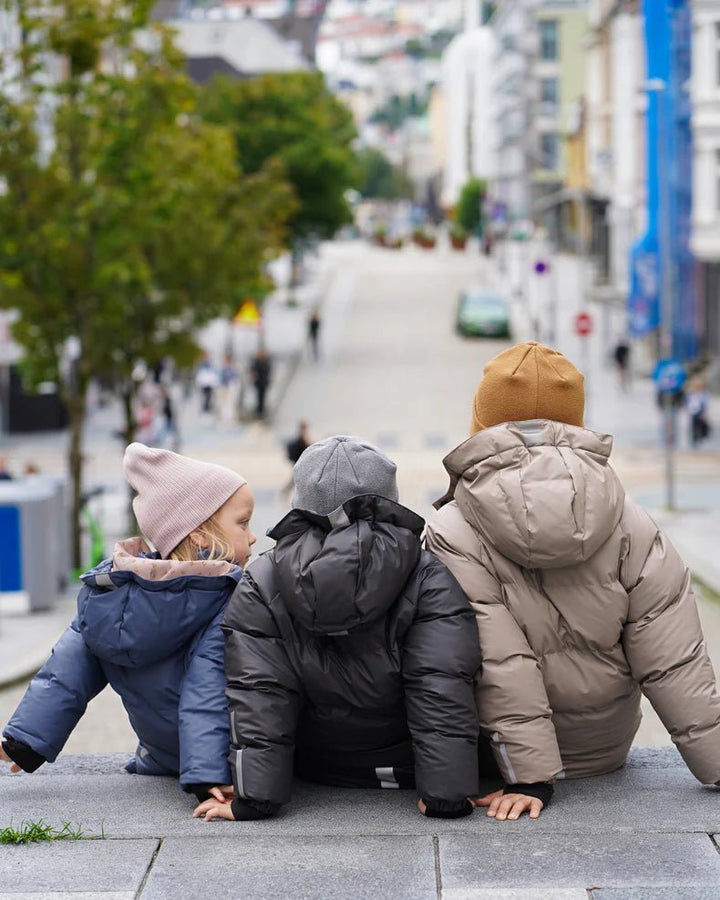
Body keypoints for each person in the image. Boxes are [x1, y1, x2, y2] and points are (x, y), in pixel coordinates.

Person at [425, 341, 720, 821]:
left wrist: (530, 778)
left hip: (500, 760)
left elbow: (500, 661)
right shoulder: (631, 521)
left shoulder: (453, 529)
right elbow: (674, 660)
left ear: (483, 423)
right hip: (605, 749)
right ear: (574, 423)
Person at [194, 436, 481, 822]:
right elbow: (440, 683)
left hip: (314, 769)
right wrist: (446, 795)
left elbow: (260, 692)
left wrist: (254, 798)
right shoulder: (425, 573)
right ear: (387, 500)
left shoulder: (262, 579)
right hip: (405, 767)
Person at [0, 443, 255, 810]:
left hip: (160, 756)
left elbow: (66, 674)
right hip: (215, 761)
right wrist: (208, 777)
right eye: (243, 522)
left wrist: (23, 743)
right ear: (200, 535)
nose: (252, 536)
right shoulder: (219, 598)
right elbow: (206, 691)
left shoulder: (110, 593)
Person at [282, 421, 311, 494]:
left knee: (297, 480)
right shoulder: (301, 439)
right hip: (300, 463)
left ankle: (286, 491)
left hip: (301, 463)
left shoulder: (302, 438)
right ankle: (286, 491)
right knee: (296, 480)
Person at [687, 375, 711, 448]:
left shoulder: (704, 393)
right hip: (692, 411)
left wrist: (705, 413)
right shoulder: (691, 392)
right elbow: (688, 401)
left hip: (700, 412)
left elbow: (705, 403)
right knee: (693, 426)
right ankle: (694, 440)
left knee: (700, 426)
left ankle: (700, 439)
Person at [249, 346, 272, 419]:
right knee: (258, 396)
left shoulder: (266, 362)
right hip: (258, 382)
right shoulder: (256, 362)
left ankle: (262, 410)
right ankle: (258, 410)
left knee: (263, 396)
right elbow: (253, 371)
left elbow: (268, 371)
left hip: (264, 382)